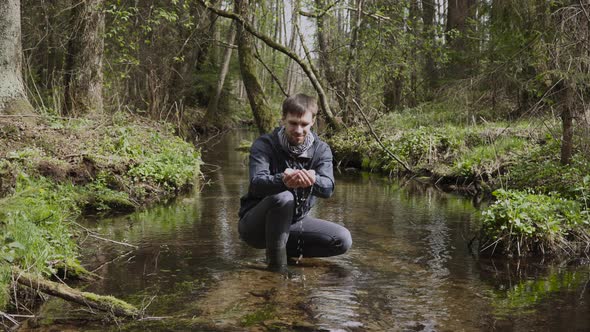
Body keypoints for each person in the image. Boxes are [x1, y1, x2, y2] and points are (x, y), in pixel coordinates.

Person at [238, 93, 352, 273]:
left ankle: (282, 251)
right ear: (283, 119)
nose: (298, 130)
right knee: (284, 197)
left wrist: (313, 181)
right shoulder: (264, 144)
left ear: (313, 121)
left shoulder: (321, 150)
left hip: (294, 223)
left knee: (342, 240)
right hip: (255, 227)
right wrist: (282, 180)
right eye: (293, 123)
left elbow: (328, 188)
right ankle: (277, 270)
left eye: (304, 124)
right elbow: (256, 183)